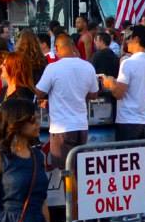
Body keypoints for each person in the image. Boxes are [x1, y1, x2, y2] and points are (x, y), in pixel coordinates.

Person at [36, 31, 99, 170]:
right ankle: (77, 192)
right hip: (81, 126)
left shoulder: (53, 68)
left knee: (65, 171)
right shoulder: (88, 66)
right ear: (73, 46)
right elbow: (94, 94)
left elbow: (39, 92)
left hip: (61, 127)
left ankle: (71, 193)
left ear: (57, 48)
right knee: (78, 169)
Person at [99, 26, 145, 141]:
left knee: (127, 157)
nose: (126, 41)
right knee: (142, 158)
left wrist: (109, 83)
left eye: (128, 37)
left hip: (128, 121)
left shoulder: (128, 63)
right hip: (144, 120)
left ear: (136, 39)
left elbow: (118, 93)